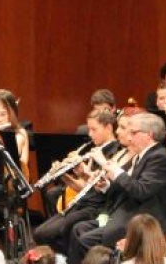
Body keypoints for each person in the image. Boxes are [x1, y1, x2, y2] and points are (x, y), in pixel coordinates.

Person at [65, 112, 166, 264]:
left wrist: (114, 170)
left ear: (149, 135)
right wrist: (106, 186)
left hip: (146, 220)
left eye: (133, 132)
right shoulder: (144, 155)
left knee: (86, 240)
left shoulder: (160, 157)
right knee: (78, 229)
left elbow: (141, 191)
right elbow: (128, 188)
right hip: (124, 214)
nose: (129, 138)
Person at [35, 107, 123, 253]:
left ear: (108, 128)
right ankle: (67, 258)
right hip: (82, 203)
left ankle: (72, 260)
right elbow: (84, 187)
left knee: (50, 234)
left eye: (94, 129)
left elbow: (104, 188)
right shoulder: (96, 150)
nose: (90, 134)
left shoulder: (116, 152)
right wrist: (64, 175)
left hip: (97, 208)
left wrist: (85, 172)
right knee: (40, 233)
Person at [0, 90, 32, 178]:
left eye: (3, 114)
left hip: (12, 181)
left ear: (11, 113)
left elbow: (20, 168)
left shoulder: (20, 133)